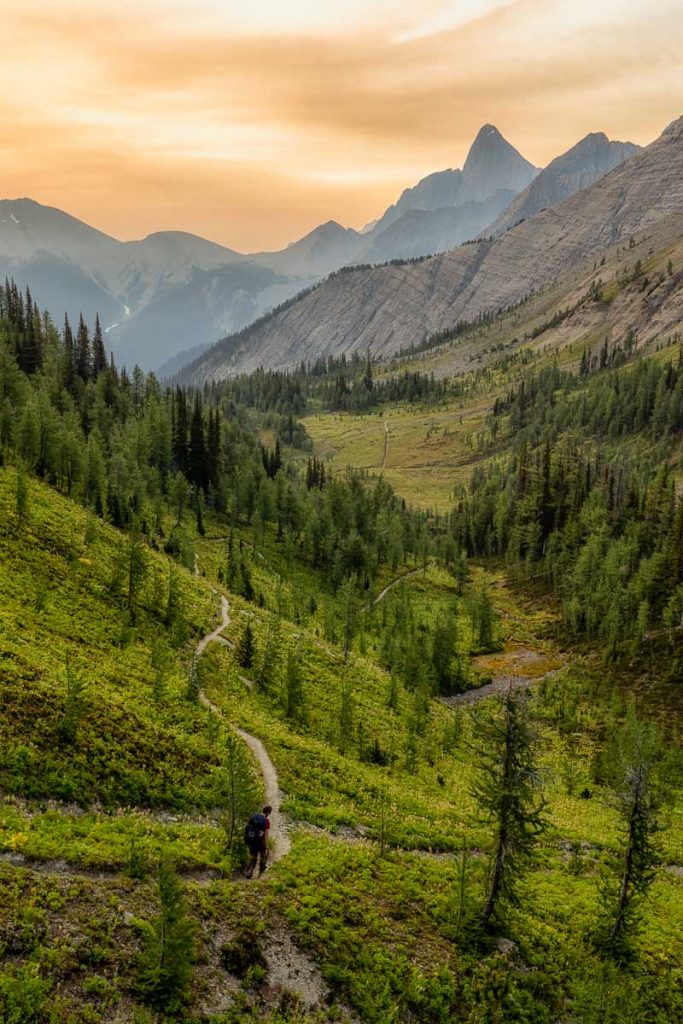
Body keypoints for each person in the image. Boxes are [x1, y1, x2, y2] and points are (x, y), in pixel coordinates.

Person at [244, 804, 272, 878]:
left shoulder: (254, 816)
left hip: (251, 840)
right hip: (260, 842)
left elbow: (247, 827)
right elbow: (266, 835)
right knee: (263, 856)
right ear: (268, 813)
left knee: (253, 856)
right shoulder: (266, 821)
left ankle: (249, 871)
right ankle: (260, 874)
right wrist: (267, 846)